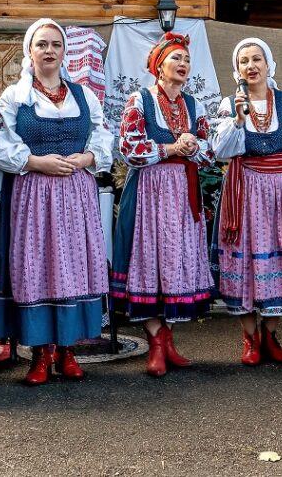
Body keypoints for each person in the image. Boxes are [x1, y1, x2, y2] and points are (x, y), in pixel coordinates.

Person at [0, 19, 114, 385]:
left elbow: (103, 133)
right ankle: (40, 354)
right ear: (30, 51)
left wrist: (88, 158)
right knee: (37, 266)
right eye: (41, 44)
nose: (49, 51)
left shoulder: (84, 95)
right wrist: (33, 161)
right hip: (33, 194)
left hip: (76, 194)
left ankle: (69, 350)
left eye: (55, 45)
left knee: (73, 265)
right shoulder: (16, 96)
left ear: (64, 52)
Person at [211, 38, 282, 365]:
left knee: (280, 259)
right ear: (237, 70)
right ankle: (249, 338)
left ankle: (270, 335)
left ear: (268, 64)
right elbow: (220, 150)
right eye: (244, 61)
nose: (251, 66)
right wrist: (238, 119)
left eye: (256, 59)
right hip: (246, 191)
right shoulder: (230, 104)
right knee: (246, 260)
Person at [110, 32, 215, 377]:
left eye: (186, 59)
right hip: (149, 196)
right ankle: (155, 341)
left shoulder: (195, 106)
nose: (183, 64)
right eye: (176, 59)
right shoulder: (138, 101)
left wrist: (194, 148)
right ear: (158, 67)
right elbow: (129, 148)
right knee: (149, 262)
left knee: (176, 263)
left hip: (184, 198)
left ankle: (167, 339)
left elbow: (210, 152)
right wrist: (172, 149)